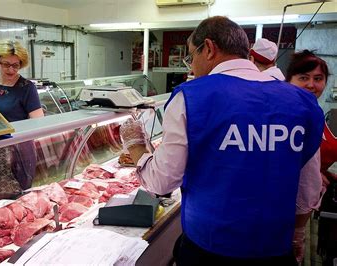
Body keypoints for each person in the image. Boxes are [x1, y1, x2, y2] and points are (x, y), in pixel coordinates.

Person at [120, 16, 324, 265]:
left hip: (209, 248)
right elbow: (309, 185)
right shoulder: (303, 103)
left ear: (209, 48)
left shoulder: (191, 97)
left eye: (191, 56)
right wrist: (298, 233)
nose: (191, 67)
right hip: (274, 247)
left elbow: (162, 182)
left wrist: (136, 145)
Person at [286, 50, 336, 266]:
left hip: (310, 208)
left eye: (318, 79)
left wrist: (322, 171)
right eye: (303, 78)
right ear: (289, 81)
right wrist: (297, 231)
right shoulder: (289, 117)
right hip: (295, 213)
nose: (311, 85)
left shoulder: (314, 111)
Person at [0, 39, 43, 200]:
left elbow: (38, 120)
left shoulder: (26, 87)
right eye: (6, 64)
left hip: (20, 148)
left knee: (19, 197)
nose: (11, 69)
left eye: (16, 65)